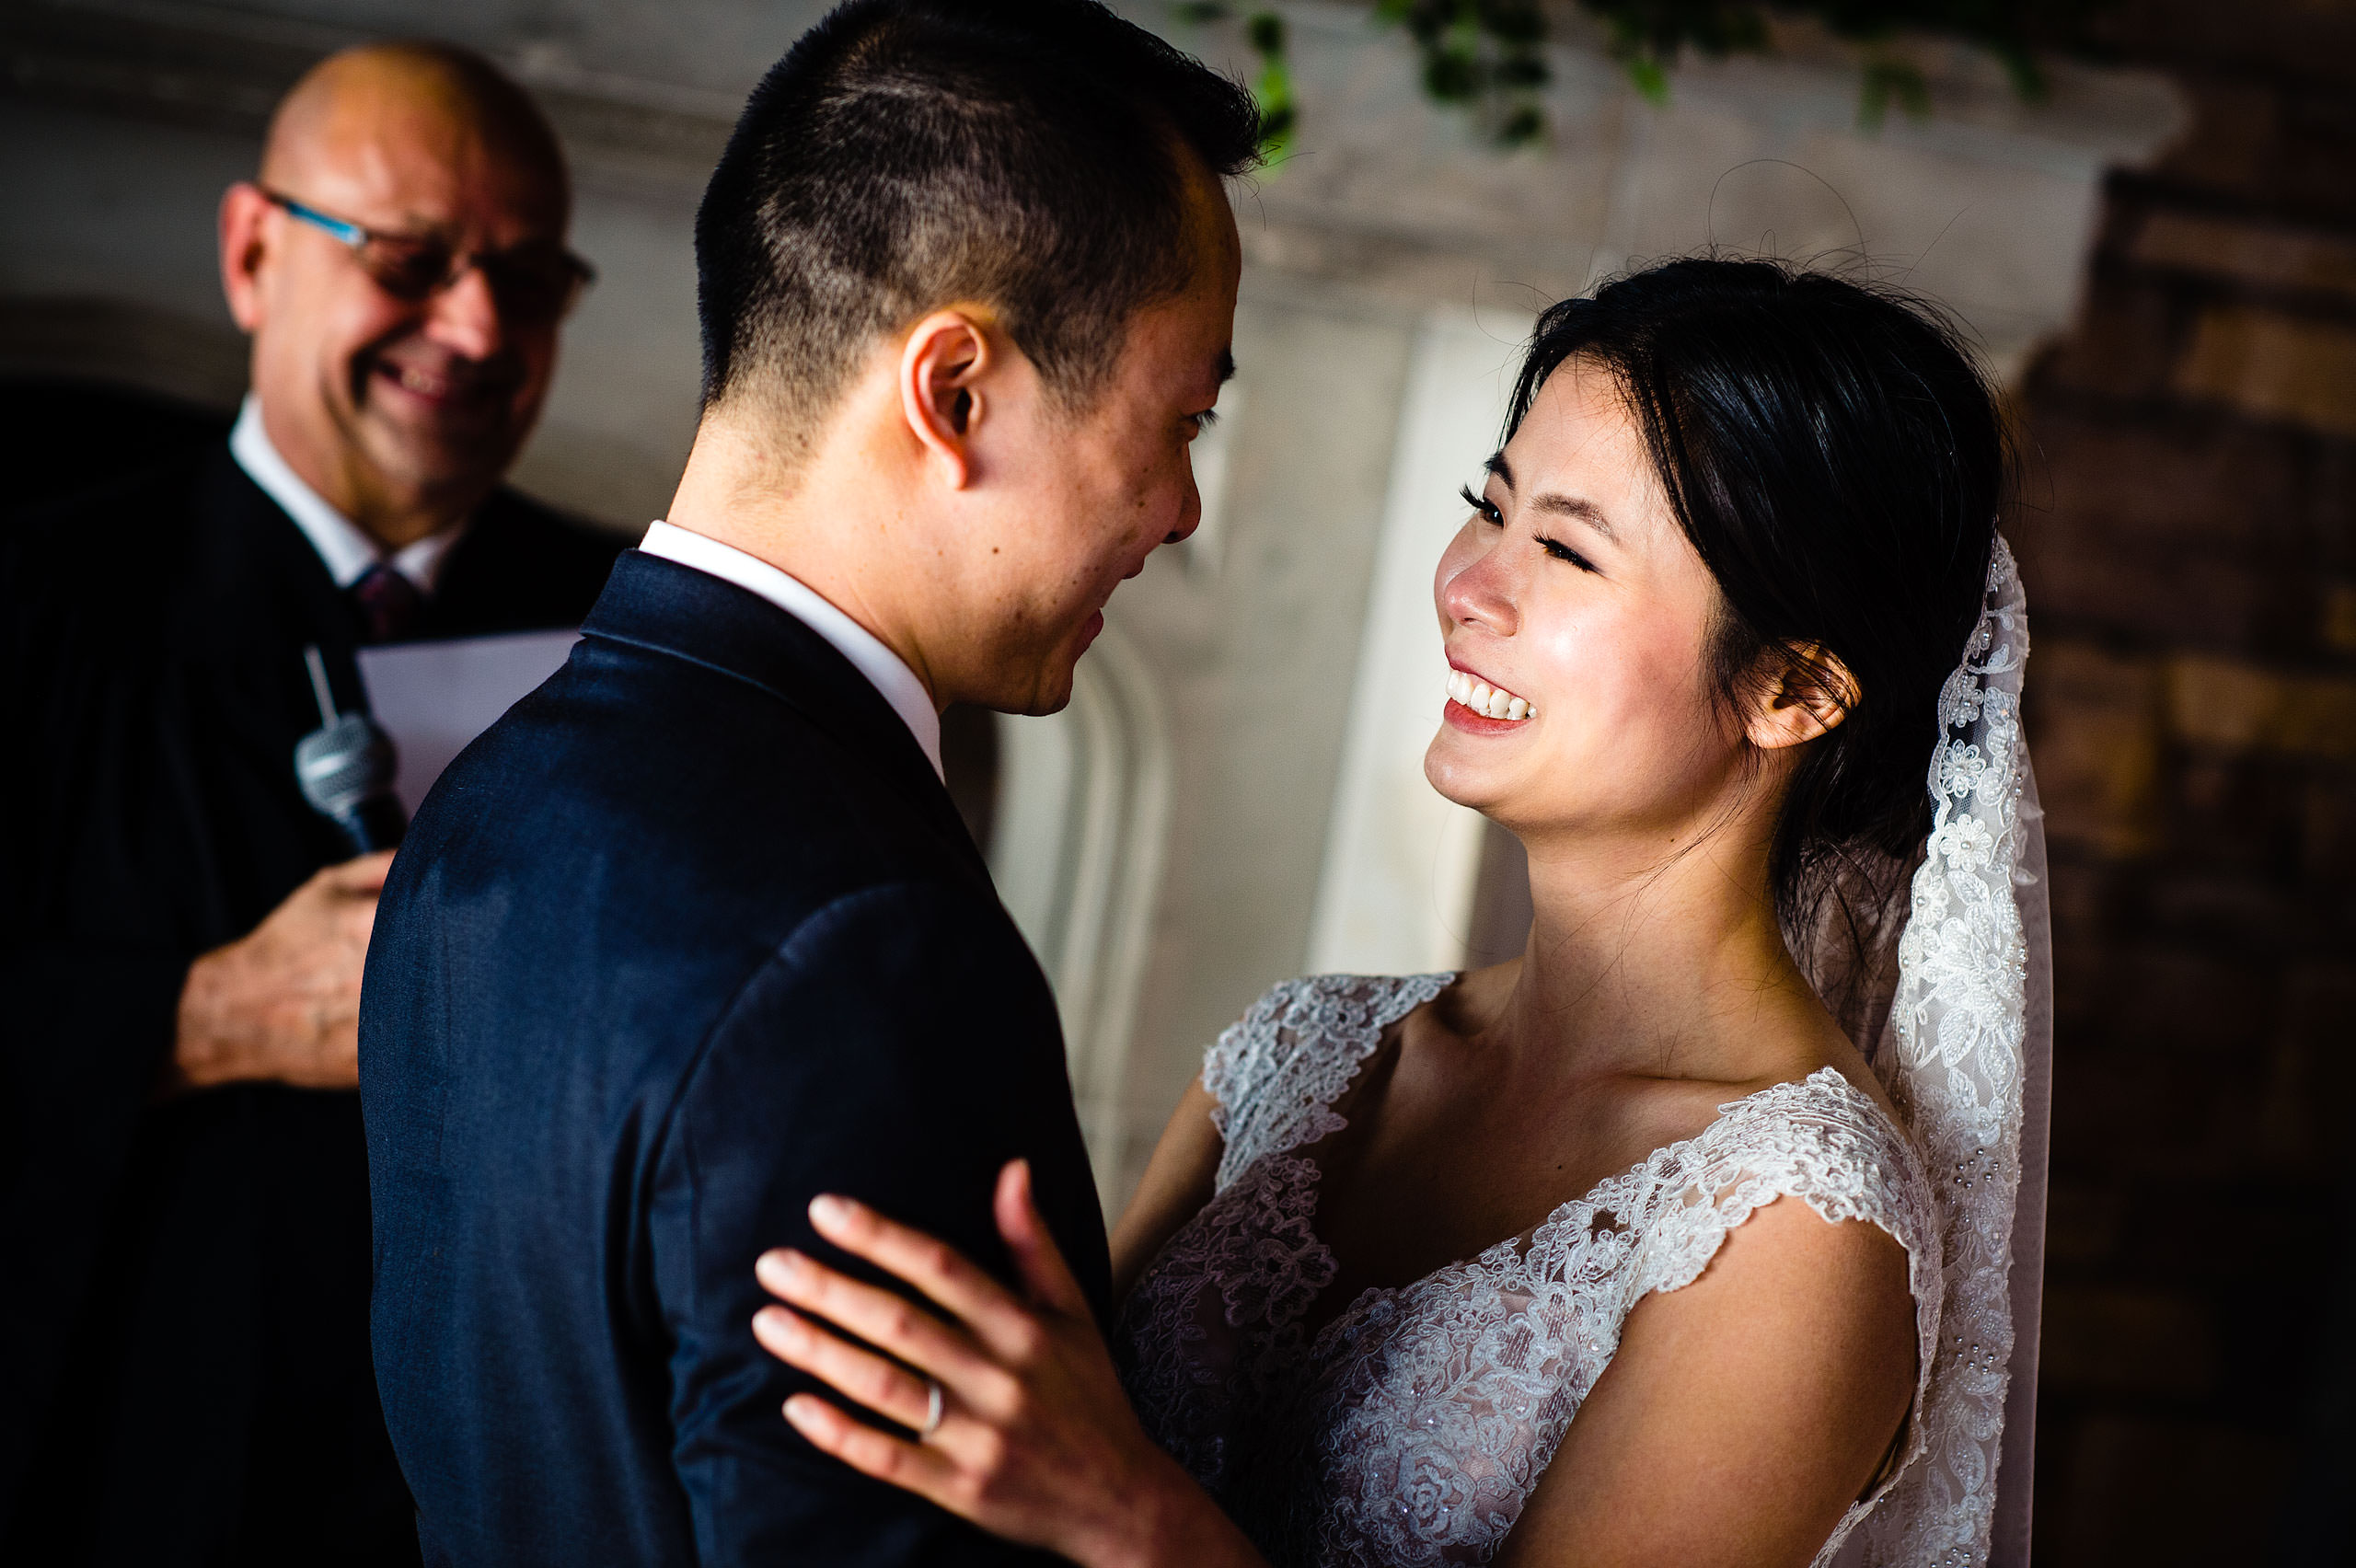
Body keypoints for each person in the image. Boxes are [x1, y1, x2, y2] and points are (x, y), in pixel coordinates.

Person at [749, 259, 2050, 1567]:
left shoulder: (1798, 1224)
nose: (1471, 585)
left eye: (1564, 548)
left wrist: (1126, 1520)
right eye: (1488, 509)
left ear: (1791, 689)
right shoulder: (1299, 1052)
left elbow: (1086, 1477)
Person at [355, 3, 1258, 1563]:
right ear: (955, 389)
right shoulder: (866, 948)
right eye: (1180, 420)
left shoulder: (491, 794)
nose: (1180, 510)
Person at [0, 41, 620, 1567]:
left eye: (530, 282)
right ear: (252, 253)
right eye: (412, 262)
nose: (476, 326)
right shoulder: (31, 605)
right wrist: (196, 1016)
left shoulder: (645, 638)